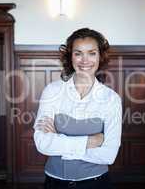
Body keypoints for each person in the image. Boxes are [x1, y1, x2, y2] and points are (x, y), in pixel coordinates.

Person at [33, 28, 122, 189]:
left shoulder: (111, 99)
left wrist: (60, 143)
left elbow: (109, 155)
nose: (84, 60)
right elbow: (42, 143)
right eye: (78, 53)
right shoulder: (52, 91)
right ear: (70, 56)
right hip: (54, 182)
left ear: (100, 56)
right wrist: (91, 141)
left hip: (96, 183)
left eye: (92, 53)